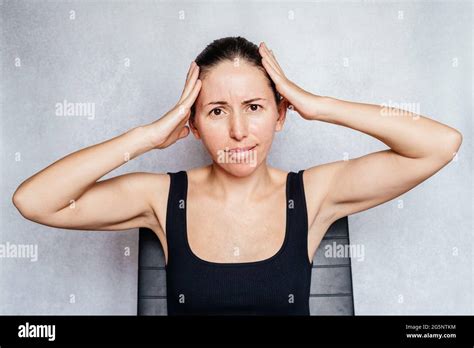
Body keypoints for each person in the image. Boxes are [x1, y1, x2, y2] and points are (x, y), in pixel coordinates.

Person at [12, 36, 463, 315]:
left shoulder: (312, 193)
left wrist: (316, 104)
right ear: (191, 123)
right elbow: (34, 201)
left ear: (280, 114)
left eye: (254, 107)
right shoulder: (161, 197)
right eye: (216, 111)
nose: (238, 131)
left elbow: (440, 144)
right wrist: (146, 136)